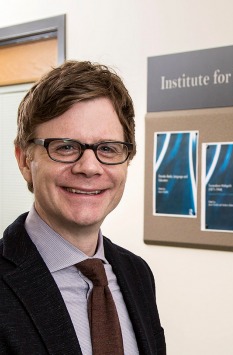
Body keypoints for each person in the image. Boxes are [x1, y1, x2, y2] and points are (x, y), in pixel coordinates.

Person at [0, 61, 166, 354]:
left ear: (127, 159)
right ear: (25, 159)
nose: (89, 167)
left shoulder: (137, 274)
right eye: (65, 147)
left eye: (108, 149)